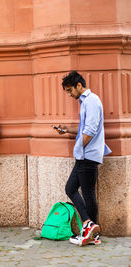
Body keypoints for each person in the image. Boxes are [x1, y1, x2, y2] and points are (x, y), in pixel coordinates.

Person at [53, 71, 111, 246]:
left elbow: (91, 130)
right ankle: (92, 231)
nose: (69, 95)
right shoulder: (86, 102)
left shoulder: (92, 100)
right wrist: (67, 130)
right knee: (76, 190)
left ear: (79, 85)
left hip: (87, 154)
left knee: (80, 191)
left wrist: (79, 147)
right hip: (86, 154)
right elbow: (84, 128)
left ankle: (90, 227)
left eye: (70, 90)